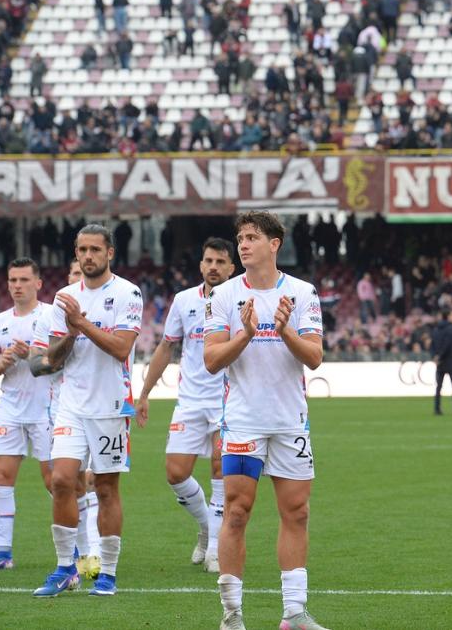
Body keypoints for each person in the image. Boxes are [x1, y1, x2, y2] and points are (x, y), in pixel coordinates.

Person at [203, 212, 327, 630]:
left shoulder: (303, 292)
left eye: (252, 237)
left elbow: (314, 356)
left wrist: (285, 330)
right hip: (243, 422)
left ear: (274, 244)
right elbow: (210, 360)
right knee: (236, 513)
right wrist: (245, 335)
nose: (243, 244)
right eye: (241, 237)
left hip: (291, 422)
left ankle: (293, 614)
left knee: (297, 512)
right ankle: (232, 615)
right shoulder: (223, 295)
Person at [33, 225, 144, 598]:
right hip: (72, 405)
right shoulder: (64, 297)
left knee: (108, 489)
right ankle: (66, 567)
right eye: (82, 250)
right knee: (62, 480)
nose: (88, 256)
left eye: (96, 249)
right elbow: (50, 360)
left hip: (111, 405)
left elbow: (121, 348)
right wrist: (69, 333)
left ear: (110, 252)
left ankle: (108, 573)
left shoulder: (128, 293)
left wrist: (81, 324)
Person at [137, 238, 236, 573]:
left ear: (231, 268)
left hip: (229, 400)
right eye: (208, 260)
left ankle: (216, 551)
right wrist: (145, 392)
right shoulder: (183, 301)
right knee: (176, 473)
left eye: (221, 262)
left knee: (222, 469)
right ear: (200, 265)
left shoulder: (242, 299)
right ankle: (208, 526)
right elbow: (167, 347)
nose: (213, 267)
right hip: (191, 401)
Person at [0, 258, 56, 571]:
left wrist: (33, 355)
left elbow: (62, 359)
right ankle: (3, 553)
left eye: (23, 280)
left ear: (38, 283)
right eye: (12, 280)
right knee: (2, 476)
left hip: (46, 408)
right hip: (10, 409)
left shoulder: (50, 315)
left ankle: (76, 551)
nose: (17, 286)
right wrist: (5, 362)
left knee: (55, 481)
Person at [31, 259, 103, 580]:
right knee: (62, 483)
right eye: (73, 273)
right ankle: (79, 555)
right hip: (59, 408)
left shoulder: (108, 308)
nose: (79, 278)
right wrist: (70, 336)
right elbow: (38, 364)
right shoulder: (48, 316)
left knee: (94, 482)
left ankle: (90, 556)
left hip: (99, 407)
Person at [431, 308, 452, 415]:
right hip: (450, 361)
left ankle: (437, 408)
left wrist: (435, 357)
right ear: (448, 316)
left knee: (438, 387)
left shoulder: (436, 329)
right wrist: (440, 356)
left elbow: (432, 345)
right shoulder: (451, 328)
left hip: (440, 362)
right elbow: (448, 344)